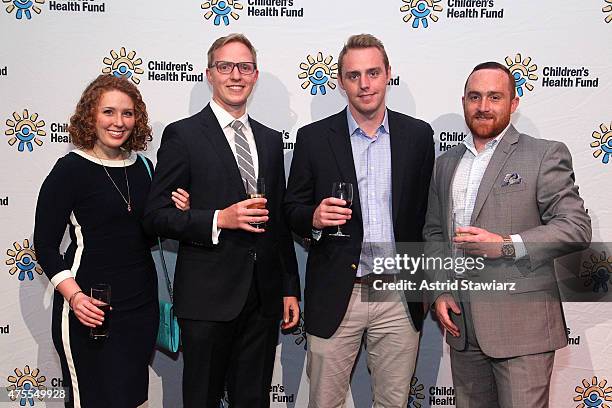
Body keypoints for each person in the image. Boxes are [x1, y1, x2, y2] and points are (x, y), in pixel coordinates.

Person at [143, 33, 300, 408]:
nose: (235, 75)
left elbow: (276, 220)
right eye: (225, 66)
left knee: (253, 399)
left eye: (244, 67)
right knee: (202, 399)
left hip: (262, 299)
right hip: (207, 298)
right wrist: (217, 219)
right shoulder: (183, 135)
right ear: (209, 74)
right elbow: (154, 217)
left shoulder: (269, 138)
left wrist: (289, 287)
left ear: (255, 75)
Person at [424, 62, 591, 408]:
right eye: (475, 97)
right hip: (463, 331)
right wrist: (440, 288)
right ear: (464, 101)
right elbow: (435, 232)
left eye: (494, 97)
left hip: (523, 330)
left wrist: (506, 246)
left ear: (513, 104)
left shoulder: (544, 154)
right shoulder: (446, 163)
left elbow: (576, 227)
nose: (483, 106)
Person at [284, 34, 434, 407]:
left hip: (399, 293)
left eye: (372, 73)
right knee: (325, 401)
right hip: (338, 289)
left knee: (393, 402)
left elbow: (430, 214)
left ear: (387, 75)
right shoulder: (314, 138)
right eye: (354, 75)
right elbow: (291, 209)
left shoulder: (417, 136)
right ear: (340, 81)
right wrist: (315, 218)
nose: (364, 84)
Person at [34, 74, 190, 408]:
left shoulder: (146, 167)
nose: (118, 122)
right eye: (109, 112)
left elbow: (145, 234)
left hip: (140, 307)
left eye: (127, 113)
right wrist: (75, 298)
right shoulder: (70, 170)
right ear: (90, 115)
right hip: (90, 307)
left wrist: (178, 212)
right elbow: (45, 246)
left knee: (132, 399)